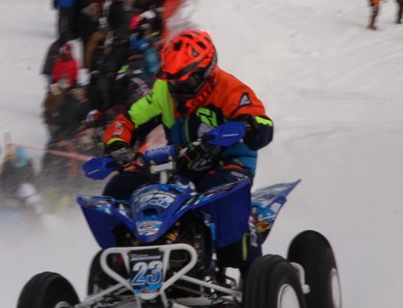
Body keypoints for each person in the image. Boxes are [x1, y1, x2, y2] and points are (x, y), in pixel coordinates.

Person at [101, 29, 274, 271]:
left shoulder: (232, 90)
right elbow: (129, 120)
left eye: (186, 81)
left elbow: (263, 123)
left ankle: (252, 269)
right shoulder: (163, 90)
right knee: (120, 186)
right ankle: (120, 262)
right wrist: (117, 144)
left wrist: (251, 126)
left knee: (218, 193)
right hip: (181, 164)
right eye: (173, 81)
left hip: (228, 165)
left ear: (207, 71)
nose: (178, 88)